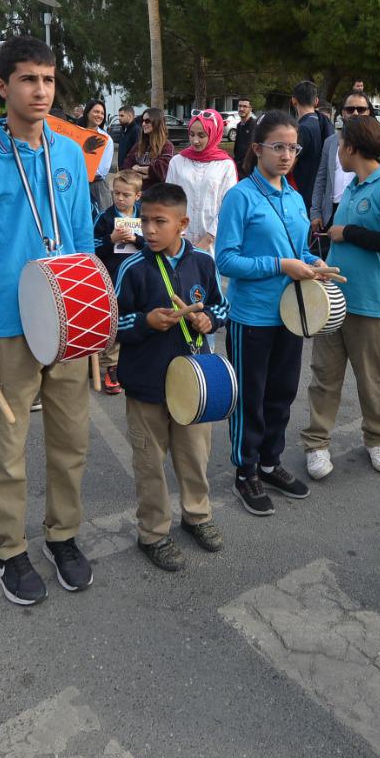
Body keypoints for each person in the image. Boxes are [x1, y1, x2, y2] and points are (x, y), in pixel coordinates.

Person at [0, 36, 95, 607]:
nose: (41, 90)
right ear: (2, 85)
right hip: (8, 329)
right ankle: (8, 549)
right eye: (29, 79)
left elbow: (82, 240)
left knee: (71, 441)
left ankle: (62, 536)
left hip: (68, 322)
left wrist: (92, 314)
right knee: (8, 449)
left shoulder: (69, 154)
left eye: (49, 79)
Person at [217, 111, 329, 517]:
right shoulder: (240, 196)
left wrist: (313, 262)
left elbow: (298, 250)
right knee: (252, 397)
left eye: (293, 148)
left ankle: (269, 462)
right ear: (257, 148)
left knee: (282, 393)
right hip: (251, 317)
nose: (286, 155)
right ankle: (245, 470)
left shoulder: (294, 197)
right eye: (278, 146)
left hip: (291, 314)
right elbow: (226, 260)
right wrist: (282, 266)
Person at [113, 183, 228, 571]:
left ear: (183, 223)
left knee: (195, 455)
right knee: (149, 463)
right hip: (145, 383)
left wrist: (207, 319)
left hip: (194, 382)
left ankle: (197, 515)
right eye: (144, 220)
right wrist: (145, 322)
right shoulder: (132, 267)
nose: (149, 229)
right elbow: (113, 324)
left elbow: (221, 307)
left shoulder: (203, 263)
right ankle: (153, 532)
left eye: (159, 221)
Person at [299, 115, 380, 480]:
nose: (338, 154)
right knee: (324, 376)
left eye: (340, 146)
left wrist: (348, 231)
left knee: (371, 379)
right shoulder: (352, 186)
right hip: (334, 301)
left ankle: (377, 439)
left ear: (351, 148)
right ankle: (317, 443)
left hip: (373, 304)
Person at [309, 92, 380, 258]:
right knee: (327, 260)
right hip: (332, 211)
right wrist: (316, 212)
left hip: (363, 210)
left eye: (361, 109)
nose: (355, 113)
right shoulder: (331, 142)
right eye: (350, 109)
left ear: (369, 112)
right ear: (343, 113)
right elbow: (321, 178)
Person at [93, 170, 143, 395]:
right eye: (116, 193)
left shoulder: (144, 216)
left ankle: (135, 362)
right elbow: (91, 246)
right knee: (115, 319)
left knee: (138, 318)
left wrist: (136, 239)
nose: (120, 198)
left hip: (139, 278)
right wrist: (110, 239)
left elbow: (154, 241)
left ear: (137, 196)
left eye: (126, 195)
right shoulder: (105, 218)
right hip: (113, 278)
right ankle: (111, 366)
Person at [165, 109, 236, 251]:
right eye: (191, 134)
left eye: (201, 135)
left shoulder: (225, 165)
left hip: (213, 242)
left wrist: (207, 239)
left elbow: (229, 206)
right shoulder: (177, 161)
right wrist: (178, 235)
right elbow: (169, 200)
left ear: (213, 133)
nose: (195, 140)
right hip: (180, 240)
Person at [289, 80, 333, 202]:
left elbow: (289, 166)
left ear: (294, 100)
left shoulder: (302, 129)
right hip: (319, 191)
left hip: (301, 192)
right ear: (316, 101)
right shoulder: (322, 122)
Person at [78, 99, 115, 214]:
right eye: (96, 112)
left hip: (97, 187)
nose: (99, 115)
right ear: (87, 112)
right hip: (76, 185)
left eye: (102, 113)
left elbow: (103, 170)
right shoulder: (76, 133)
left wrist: (82, 175)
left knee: (102, 219)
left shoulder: (106, 139)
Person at [121, 107, 175, 187]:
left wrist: (138, 169)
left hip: (156, 192)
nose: (143, 124)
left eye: (147, 121)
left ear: (157, 122)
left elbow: (161, 171)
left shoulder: (167, 146)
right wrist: (148, 173)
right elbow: (125, 167)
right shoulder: (138, 145)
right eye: (142, 121)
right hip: (138, 191)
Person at [231, 98, 256, 176]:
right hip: (238, 168)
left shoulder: (255, 125)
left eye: (245, 106)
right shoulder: (239, 125)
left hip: (249, 169)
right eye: (240, 106)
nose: (241, 109)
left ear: (250, 109)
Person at [114, 106, 140, 172]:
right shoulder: (123, 129)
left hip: (130, 171)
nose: (119, 118)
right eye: (119, 116)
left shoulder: (136, 130)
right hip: (122, 168)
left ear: (130, 116)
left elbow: (137, 152)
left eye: (122, 116)